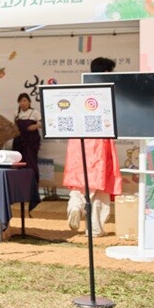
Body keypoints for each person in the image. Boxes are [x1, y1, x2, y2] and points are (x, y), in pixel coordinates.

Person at [63, 56, 122, 236]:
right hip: (98, 142)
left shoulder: (81, 91)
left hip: (78, 141)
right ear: (106, 72)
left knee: (81, 182)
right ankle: (94, 228)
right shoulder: (106, 92)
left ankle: (75, 205)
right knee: (99, 185)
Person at [12, 92, 42, 183]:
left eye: (25, 101)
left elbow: (42, 123)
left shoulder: (35, 112)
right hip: (19, 142)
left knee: (31, 163)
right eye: (20, 101)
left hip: (31, 142)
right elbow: (14, 126)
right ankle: (19, 183)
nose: (22, 103)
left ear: (29, 102)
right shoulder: (16, 114)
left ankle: (33, 183)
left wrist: (35, 126)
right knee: (18, 162)